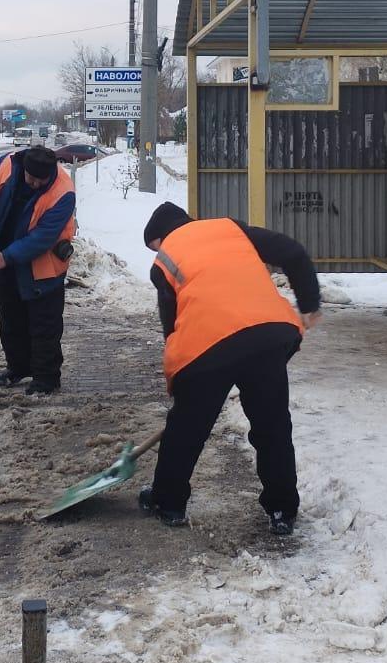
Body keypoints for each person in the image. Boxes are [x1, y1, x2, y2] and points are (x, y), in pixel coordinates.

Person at [138, 202, 321, 536]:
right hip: (270, 334)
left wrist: (182, 386)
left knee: (186, 429)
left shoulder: (164, 260)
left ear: (161, 238)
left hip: (208, 344)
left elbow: (174, 330)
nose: (156, 252)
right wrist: (308, 306)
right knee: (272, 427)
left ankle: (168, 501)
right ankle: (282, 509)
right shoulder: (231, 228)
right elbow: (294, 252)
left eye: (154, 246)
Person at [0, 144, 76, 395]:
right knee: (11, 319)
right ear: (24, 168)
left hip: (42, 266)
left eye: (41, 180)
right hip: (3, 254)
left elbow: (43, 236)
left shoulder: (63, 192)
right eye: (31, 178)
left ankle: (47, 378)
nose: (35, 184)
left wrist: (8, 256)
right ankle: (18, 367)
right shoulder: (9, 163)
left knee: (44, 324)